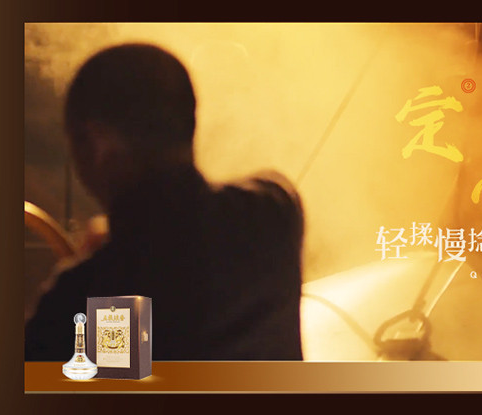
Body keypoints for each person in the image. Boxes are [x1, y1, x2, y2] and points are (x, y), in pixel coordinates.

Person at [25, 44, 304, 361]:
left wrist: (104, 262)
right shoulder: (273, 213)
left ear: (98, 142)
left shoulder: (82, 300)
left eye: (75, 140)